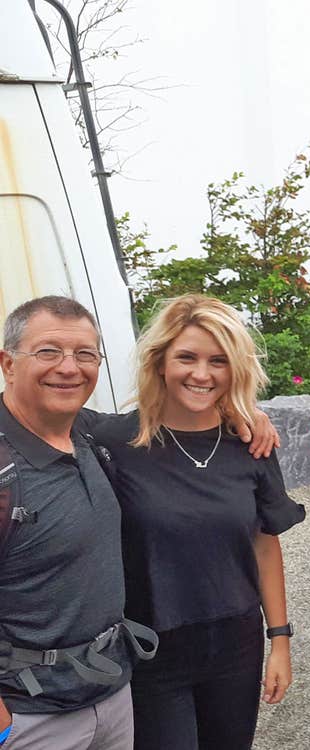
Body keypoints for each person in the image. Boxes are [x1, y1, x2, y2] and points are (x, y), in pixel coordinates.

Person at [79, 295, 303, 750]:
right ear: (159, 362)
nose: (202, 374)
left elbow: (264, 545)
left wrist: (279, 640)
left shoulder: (251, 445)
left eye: (218, 361)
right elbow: (27, 410)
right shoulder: (111, 441)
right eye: (187, 357)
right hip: (152, 650)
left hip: (235, 646)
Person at [0, 297, 149, 750]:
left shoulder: (88, 433)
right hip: (28, 714)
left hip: (109, 690)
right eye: (48, 352)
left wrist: (242, 414)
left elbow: (174, 421)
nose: (69, 368)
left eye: (86, 354)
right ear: (7, 363)